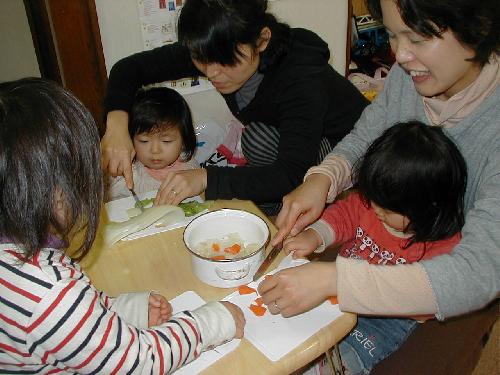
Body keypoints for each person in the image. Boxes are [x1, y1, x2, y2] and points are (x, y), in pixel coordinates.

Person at [262, 0, 499, 322]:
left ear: (480, 26)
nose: (400, 56)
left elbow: (478, 272)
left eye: (417, 38)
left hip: (440, 289)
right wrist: (323, 179)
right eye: (392, 35)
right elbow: (368, 135)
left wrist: (335, 280)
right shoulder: (411, 73)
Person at [0, 78, 245, 373]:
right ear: (50, 188)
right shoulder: (49, 289)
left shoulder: (25, 268)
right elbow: (139, 361)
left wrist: (128, 309)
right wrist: (217, 320)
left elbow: (74, 318)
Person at [101, 0, 368, 215]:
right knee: (256, 141)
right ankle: (274, 205)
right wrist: (116, 125)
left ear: (262, 40)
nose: (213, 73)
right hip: (299, 141)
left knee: (257, 142)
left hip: (353, 148)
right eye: (201, 60)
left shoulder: (299, 76)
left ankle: (302, 206)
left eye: (226, 61)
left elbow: (290, 172)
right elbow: (127, 69)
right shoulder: (213, 48)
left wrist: (207, 178)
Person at [282, 121, 467, 374]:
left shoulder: (444, 246)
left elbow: (429, 301)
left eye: (388, 209)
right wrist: (315, 235)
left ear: (429, 208)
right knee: (294, 334)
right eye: (372, 200)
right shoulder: (373, 202)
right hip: (335, 289)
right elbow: (345, 214)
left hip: (385, 319)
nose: (375, 209)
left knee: (341, 360)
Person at [107, 87, 198, 201]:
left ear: (184, 141)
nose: (155, 150)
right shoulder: (127, 174)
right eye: (144, 141)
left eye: (166, 141)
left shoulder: (190, 168)